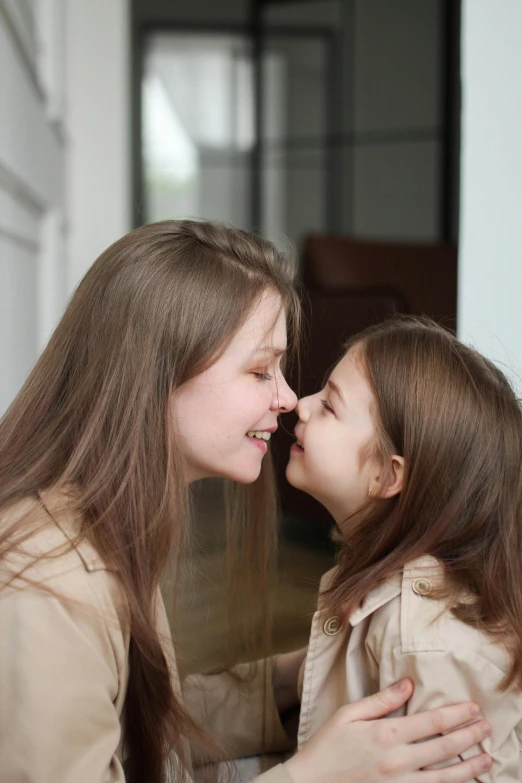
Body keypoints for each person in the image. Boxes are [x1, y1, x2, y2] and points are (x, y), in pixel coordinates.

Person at [0, 221, 492, 783]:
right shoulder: (44, 584)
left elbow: (137, 729)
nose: (287, 399)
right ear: (156, 375)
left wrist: (299, 679)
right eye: (261, 370)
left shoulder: (105, 523)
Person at [286, 317, 522, 781]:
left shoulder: (426, 642)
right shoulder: (382, 587)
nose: (301, 404)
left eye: (330, 405)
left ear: (388, 476)